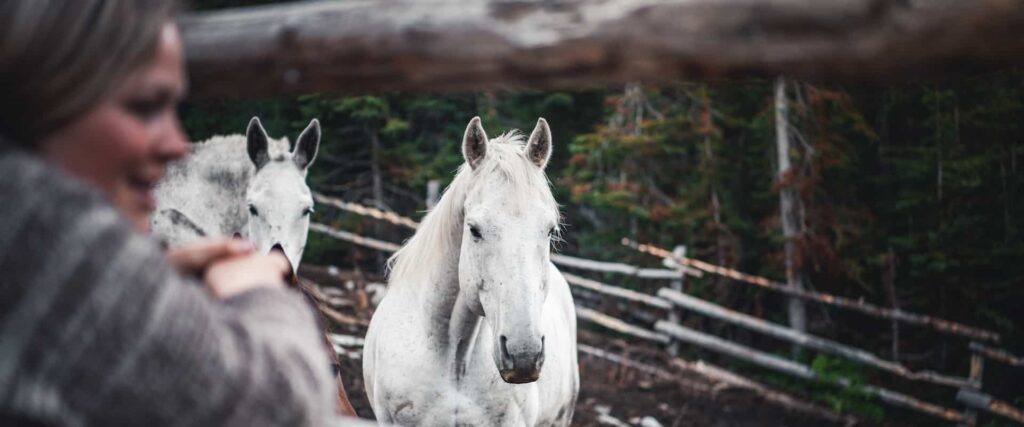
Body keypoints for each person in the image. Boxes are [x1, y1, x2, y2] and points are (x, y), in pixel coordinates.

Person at [0, 1, 347, 424]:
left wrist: (157, 271)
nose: (177, 144)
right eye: (145, 106)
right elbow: (278, 407)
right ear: (44, 97)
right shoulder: (51, 242)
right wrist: (261, 292)